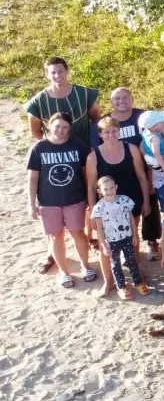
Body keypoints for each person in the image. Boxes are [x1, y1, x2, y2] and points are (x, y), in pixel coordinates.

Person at [27, 112, 96, 287]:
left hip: (75, 199)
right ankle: (64, 272)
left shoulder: (78, 145)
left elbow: (86, 173)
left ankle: (85, 266)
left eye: (65, 127)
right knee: (56, 237)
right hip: (48, 201)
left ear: (70, 129)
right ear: (49, 126)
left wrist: (90, 197)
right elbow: (33, 177)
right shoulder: (39, 148)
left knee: (78, 233)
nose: (61, 130)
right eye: (57, 126)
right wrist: (31, 202)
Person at [88, 114, 153, 257]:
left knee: (132, 236)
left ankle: (136, 271)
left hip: (132, 198)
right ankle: (110, 279)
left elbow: (142, 176)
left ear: (119, 131)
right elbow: (91, 187)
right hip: (106, 203)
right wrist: (93, 213)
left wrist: (146, 201)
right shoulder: (93, 157)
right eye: (106, 132)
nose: (111, 135)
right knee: (105, 241)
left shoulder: (131, 149)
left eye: (114, 131)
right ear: (100, 134)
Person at [90, 176, 145, 298]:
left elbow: (131, 219)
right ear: (99, 191)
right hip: (111, 240)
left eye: (111, 188)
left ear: (116, 187)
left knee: (132, 261)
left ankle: (138, 282)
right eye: (106, 189)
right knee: (116, 264)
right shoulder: (99, 208)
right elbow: (99, 229)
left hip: (127, 237)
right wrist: (104, 245)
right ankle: (121, 287)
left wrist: (135, 235)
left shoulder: (125, 200)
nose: (109, 192)